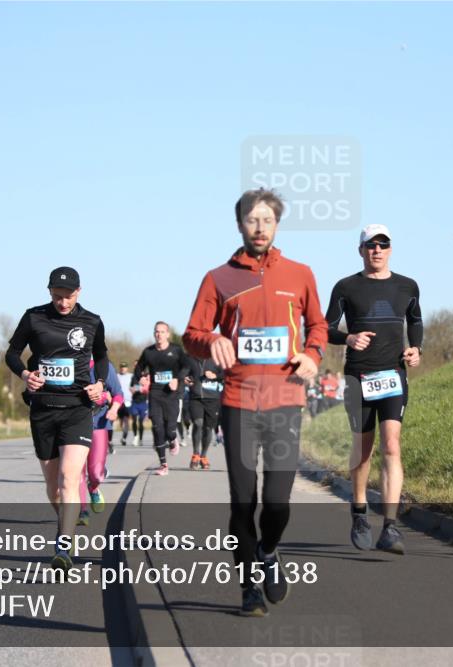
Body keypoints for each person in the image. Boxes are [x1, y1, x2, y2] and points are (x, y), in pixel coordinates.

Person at [184, 188, 327, 617]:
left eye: (267, 219)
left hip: (285, 400)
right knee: (243, 500)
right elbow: (191, 334)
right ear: (239, 224)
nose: (259, 227)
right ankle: (248, 587)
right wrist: (212, 341)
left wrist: (313, 354)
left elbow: (317, 325)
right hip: (239, 400)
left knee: (279, 502)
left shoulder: (300, 274)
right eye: (251, 219)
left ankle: (268, 551)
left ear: (277, 225)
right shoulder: (218, 278)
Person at [325, 224, 422, 555]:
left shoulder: (407, 286)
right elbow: (326, 328)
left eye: (383, 244)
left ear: (391, 249)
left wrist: (416, 349)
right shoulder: (346, 286)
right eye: (371, 245)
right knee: (362, 450)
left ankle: (391, 527)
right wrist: (348, 338)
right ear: (361, 250)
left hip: (394, 375)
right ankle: (359, 512)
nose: (377, 250)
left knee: (392, 446)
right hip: (358, 377)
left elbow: (416, 321)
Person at [4, 266, 108, 571]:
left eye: (68, 296)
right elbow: (12, 352)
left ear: (79, 291)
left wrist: (100, 383)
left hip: (77, 408)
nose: (62, 302)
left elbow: (101, 356)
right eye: (57, 296)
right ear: (49, 292)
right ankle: (67, 522)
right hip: (43, 409)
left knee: (69, 478)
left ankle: (63, 546)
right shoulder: (34, 317)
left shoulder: (91, 322)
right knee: (54, 488)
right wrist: (24, 374)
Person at [131, 321, 189, 475]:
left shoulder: (176, 350)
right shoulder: (149, 352)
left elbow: (186, 366)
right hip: (155, 393)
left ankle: (173, 438)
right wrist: (140, 378)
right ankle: (163, 465)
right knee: (157, 428)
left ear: (167, 334)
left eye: (162, 332)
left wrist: (177, 379)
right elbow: (138, 368)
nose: (159, 334)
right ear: (154, 334)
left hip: (171, 394)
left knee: (170, 429)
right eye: (156, 331)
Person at [77, 359, 123, 526]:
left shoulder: (103, 366)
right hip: (75, 424)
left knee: (96, 473)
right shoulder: (70, 364)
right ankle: (82, 511)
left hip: (99, 423)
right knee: (78, 472)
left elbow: (118, 394)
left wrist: (113, 408)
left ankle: (94, 488)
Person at [185, 355, 224, 470]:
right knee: (198, 423)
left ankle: (203, 456)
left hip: (212, 399)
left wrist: (215, 376)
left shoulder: (217, 359)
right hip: (196, 398)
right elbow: (182, 372)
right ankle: (195, 454)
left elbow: (226, 374)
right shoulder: (190, 358)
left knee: (208, 428)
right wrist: (185, 379)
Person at [128, 373, 150, 446]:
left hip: (143, 402)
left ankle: (140, 439)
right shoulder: (134, 377)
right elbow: (131, 388)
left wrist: (139, 388)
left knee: (141, 421)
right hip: (135, 402)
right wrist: (134, 389)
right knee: (134, 419)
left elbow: (148, 388)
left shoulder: (147, 377)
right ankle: (135, 436)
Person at [116, 362, 133, 445]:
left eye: (125, 367)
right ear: (120, 368)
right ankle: (123, 432)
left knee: (126, 419)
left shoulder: (131, 376)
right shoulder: (116, 376)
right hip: (119, 401)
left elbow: (136, 385)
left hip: (128, 401)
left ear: (127, 368)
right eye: (122, 367)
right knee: (121, 420)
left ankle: (124, 437)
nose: (123, 368)